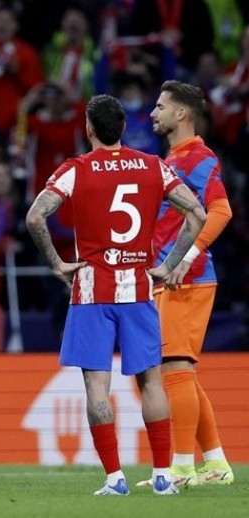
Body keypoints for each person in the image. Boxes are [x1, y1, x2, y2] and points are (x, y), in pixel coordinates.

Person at [25, 94, 207, 496]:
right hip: (139, 291)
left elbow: (36, 215)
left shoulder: (75, 170)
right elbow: (197, 212)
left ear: (88, 128)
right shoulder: (153, 167)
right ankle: (163, 477)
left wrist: (57, 263)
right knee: (153, 383)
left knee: (96, 388)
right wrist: (170, 263)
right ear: (123, 128)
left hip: (92, 293)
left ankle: (115, 479)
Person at [137, 80, 234, 487]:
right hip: (168, 276)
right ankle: (215, 464)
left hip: (187, 279)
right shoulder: (174, 157)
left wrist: (187, 258)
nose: (154, 113)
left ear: (182, 114)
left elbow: (221, 210)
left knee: (175, 366)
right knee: (179, 372)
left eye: (161, 107)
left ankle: (180, 468)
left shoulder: (199, 156)